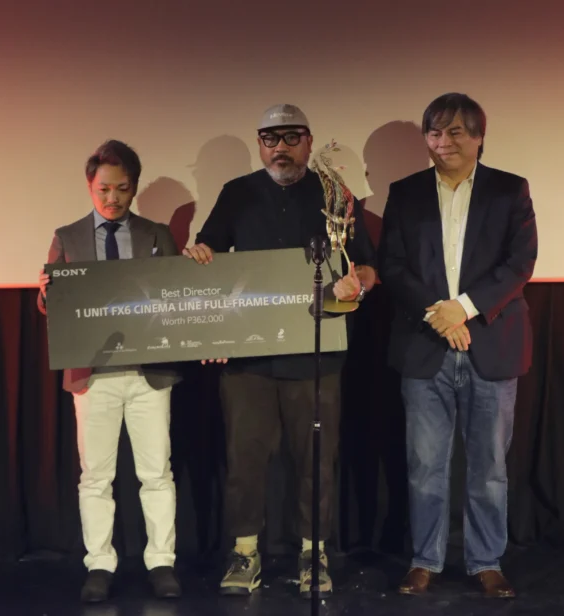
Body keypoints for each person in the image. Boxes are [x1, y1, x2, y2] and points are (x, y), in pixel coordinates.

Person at [184, 104, 377, 598]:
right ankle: (245, 552)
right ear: (260, 145)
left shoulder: (335, 194)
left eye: (292, 137)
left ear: (309, 142)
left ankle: (313, 553)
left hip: (317, 352)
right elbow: (207, 255)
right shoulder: (237, 193)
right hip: (249, 359)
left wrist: (358, 283)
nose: (281, 148)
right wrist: (198, 256)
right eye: (270, 139)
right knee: (244, 458)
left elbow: (366, 266)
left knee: (316, 460)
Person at [378, 93, 538, 599]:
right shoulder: (405, 193)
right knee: (425, 465)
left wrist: (464, 308)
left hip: (492, 344)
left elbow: (520, 263)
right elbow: (392, 265)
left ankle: (486, 561)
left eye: (454, 132)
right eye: (434, 132)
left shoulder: (509, 190)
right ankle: (425, 560)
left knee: (488, 468)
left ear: (478, 137)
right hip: (424, 346)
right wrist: (439, 315)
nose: (442, 142)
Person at [37, 140, 182, 603]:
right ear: (89, 186)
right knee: (95, 477)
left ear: (134, 187)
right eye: (104, 188)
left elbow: (176, 297)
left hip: (147, 371)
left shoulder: (157, 235)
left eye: (121, 188)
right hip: (92, 374)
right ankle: (99, 564)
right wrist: (46, 294)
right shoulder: (67, 237)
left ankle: (161, 562)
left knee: (156, 472)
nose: (112, 198)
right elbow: (51, 305)